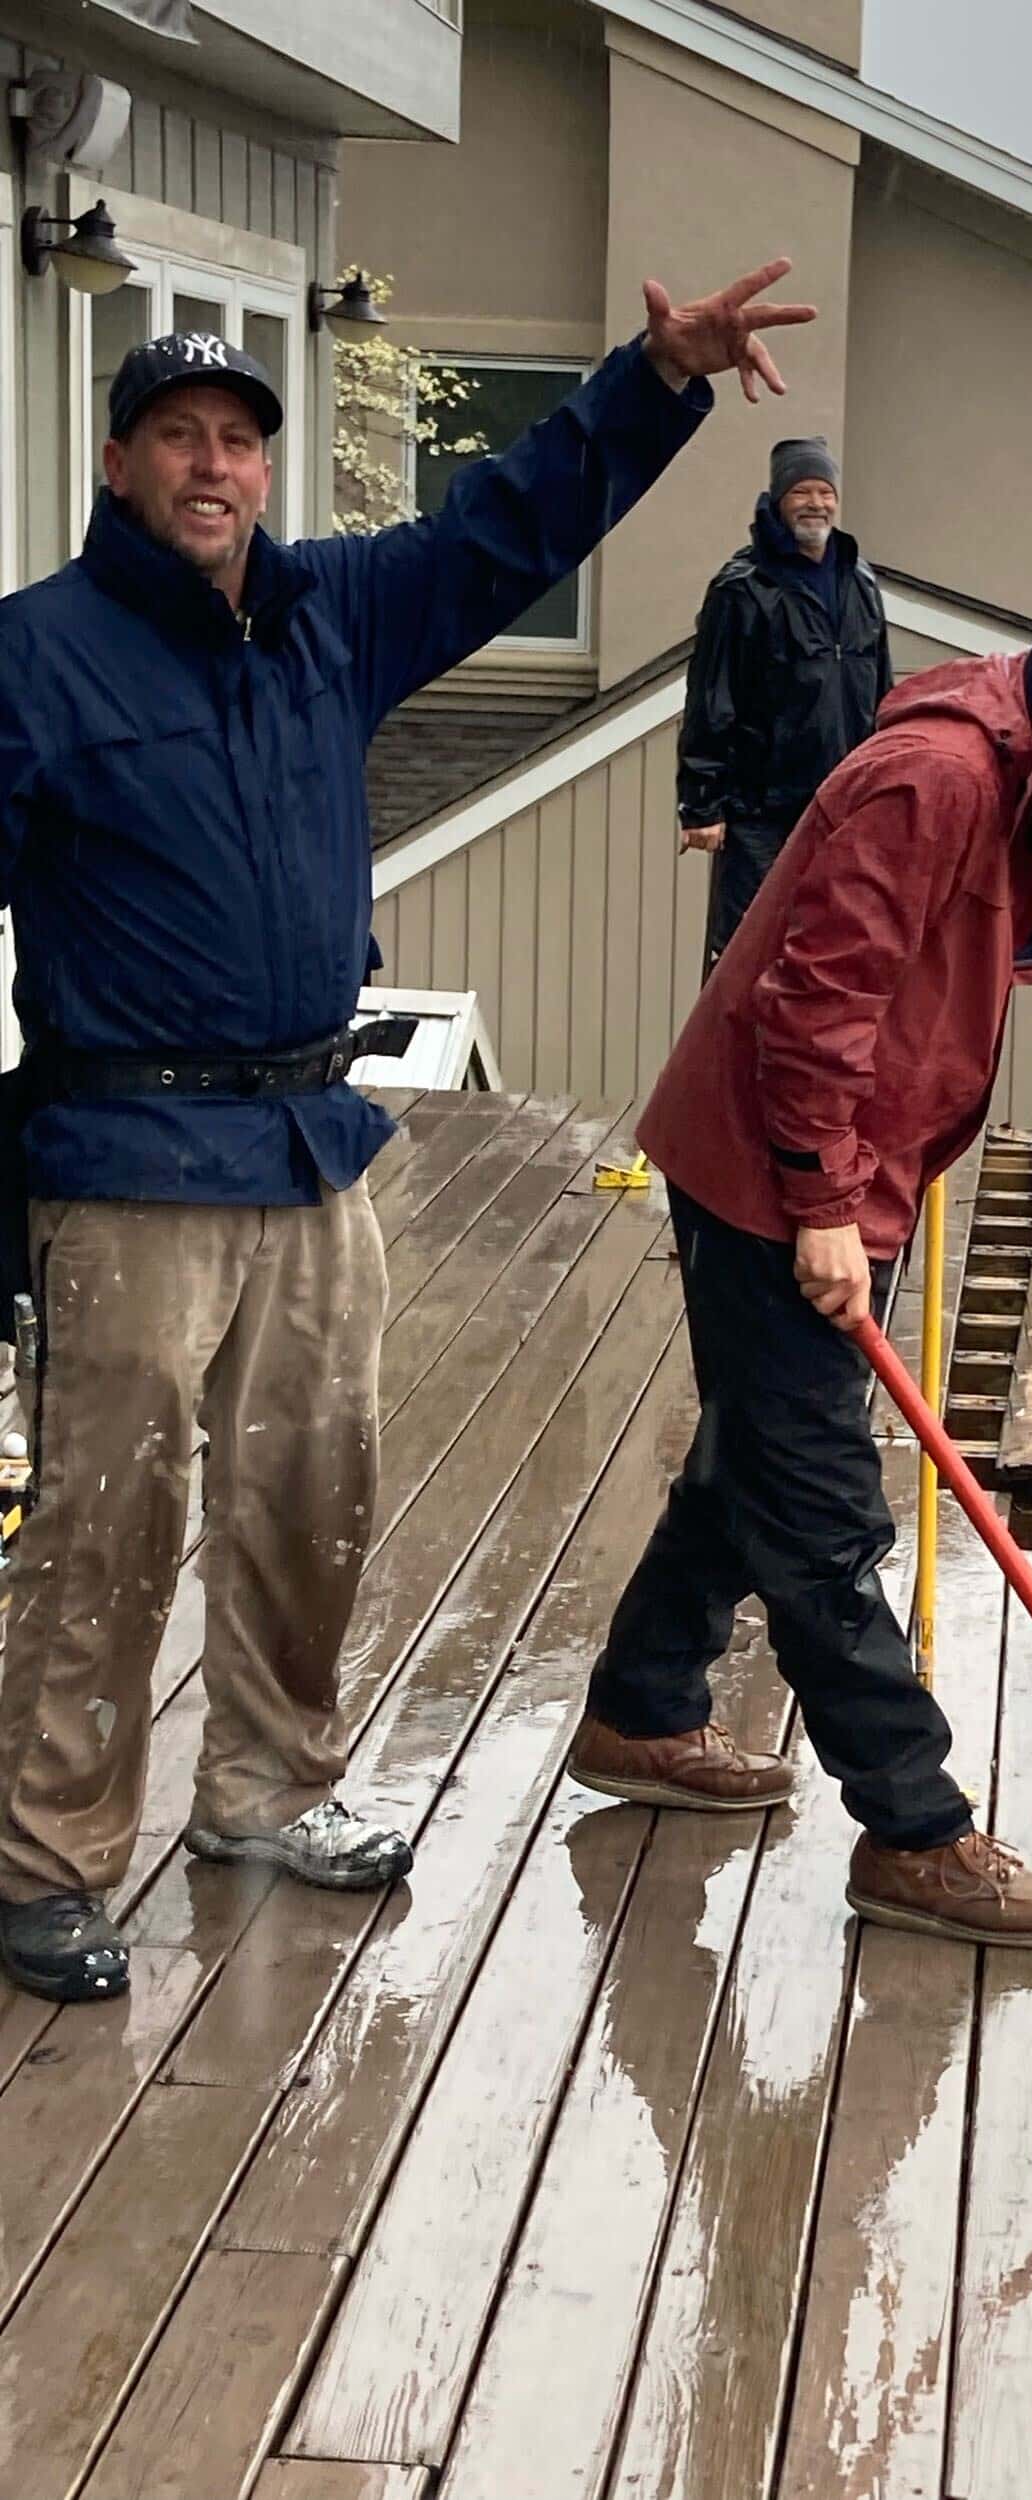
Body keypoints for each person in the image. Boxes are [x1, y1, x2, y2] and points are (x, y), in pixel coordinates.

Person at [0, 259, 815, 2004]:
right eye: (175, 438)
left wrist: (654, 383)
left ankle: (268, 1793)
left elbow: (512, 526)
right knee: (104, 1530)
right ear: (119, 463)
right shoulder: (33, 656)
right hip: (122, 1169)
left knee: (313, 1500)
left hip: (310, 1150)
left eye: (238, 440)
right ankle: (52, 1862)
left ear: (264, 472)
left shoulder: (332, 617)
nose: (210, 467)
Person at [572, 597, 1032, 1947]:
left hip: (842, 1165)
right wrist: (816, 1198)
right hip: (776, 1169)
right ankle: (913, 1832)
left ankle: (639, 1708)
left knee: (752, 1449)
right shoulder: (933, 778)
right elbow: (815, 998)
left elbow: (1022, 949)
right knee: (818, 1509)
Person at [678, 436, 891, 967]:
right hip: (761, 810)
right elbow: (711, 696)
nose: (816, 503)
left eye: (825, 491)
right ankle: (732, 1054)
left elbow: (881, 687)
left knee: (830, 951)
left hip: (842, 803)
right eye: (801, 491)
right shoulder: (743, 588)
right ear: (777, 500)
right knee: (748, 957)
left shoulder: (859, 581)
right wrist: (702, 803)